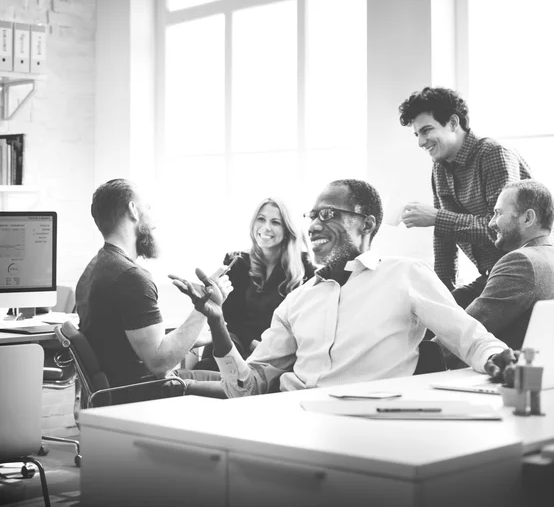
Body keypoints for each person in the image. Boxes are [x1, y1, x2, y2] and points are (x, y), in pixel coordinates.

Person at [170, 179, 516, 398]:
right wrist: (216, 322)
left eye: (330, 214)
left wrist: (500, 360)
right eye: (313, 215)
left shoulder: (404, 274)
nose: (316, 225)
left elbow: (470, 338)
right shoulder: (296, 301)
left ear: (366, 223)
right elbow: (244, 388)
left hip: (369, 424)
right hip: (288, 421)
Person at [76, 179, 228, 403]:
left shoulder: (94, 269)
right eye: (148, 208)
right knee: (243, 388)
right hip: (146, 395)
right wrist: (206, 308)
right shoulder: (130, 277)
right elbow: (159, 362)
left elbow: (125, 344)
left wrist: (198, 337)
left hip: (123, 390)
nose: (154, 221)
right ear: (133, 210)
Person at [398, 86, 532, 307]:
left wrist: (437, 218)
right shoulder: (439, 168)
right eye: (417, 134)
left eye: (426, 130)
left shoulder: (493, 155)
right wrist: (442, 294)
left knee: (462, 331)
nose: (421, 142)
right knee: (429, 318)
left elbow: (503, 231)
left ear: (452, 123)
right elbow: (444, 238)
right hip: (492, 275)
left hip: (521, 274)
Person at [436, 179, 554, 368]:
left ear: (527, 218)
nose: (491, 223)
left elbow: (464, 334)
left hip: (500, 379)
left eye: (498, 213)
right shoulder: (547, 258)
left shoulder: (520, 261)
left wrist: (413, 360)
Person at [195, 197, 314, 371]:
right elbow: (230, 318)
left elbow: (305, 324)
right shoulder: (236, 261)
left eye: (275, 222)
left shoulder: (304, 268)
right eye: (261, 219)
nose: (266, 227)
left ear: (288, 229)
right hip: (241, 343)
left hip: (281, 352)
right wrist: (253, 344)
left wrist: (270, 350)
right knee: (210, 364)